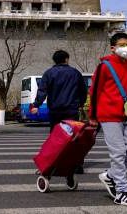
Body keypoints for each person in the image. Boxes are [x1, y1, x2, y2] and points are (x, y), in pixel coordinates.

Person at [88, 32, 127, 208]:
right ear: (113, 48)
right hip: (108, 114)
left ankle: (110, 175)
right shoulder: (104, 66)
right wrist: (92, 116)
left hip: (126, 114)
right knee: (118, 152)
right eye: (122, 44)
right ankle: (122, 191)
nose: (126, 48)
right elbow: (94, 92)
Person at [30, 49, 87, 181]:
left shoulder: (49, 73)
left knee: (55, 139)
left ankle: (52, 163)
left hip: (55, 112)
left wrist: (37, 104)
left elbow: (42, 91)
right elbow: (83, 91)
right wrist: (80, 104)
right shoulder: (75, 73)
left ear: (54, 60)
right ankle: (77, 165)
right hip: (71, 111)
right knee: (74, 139)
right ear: (66, 59)